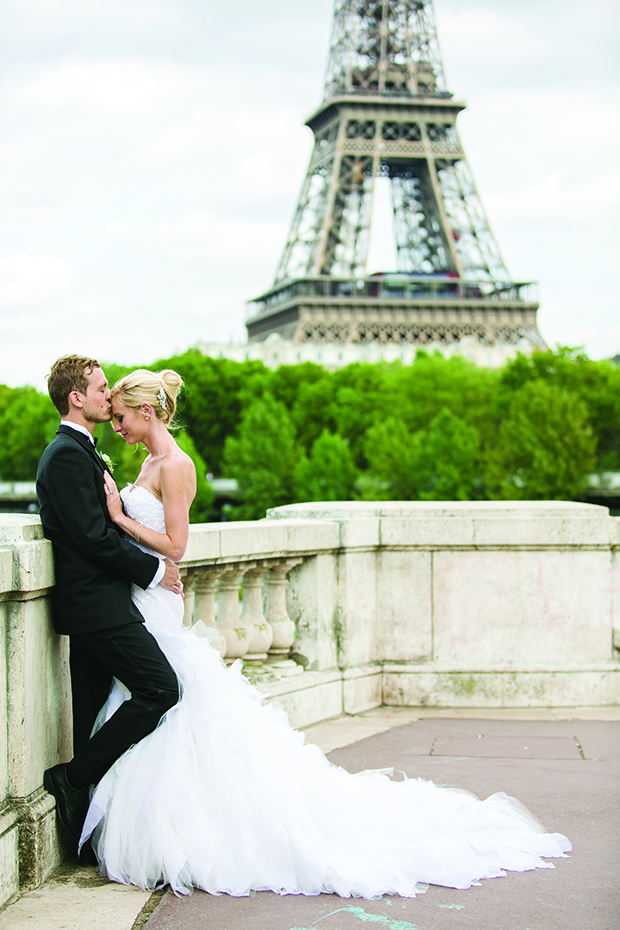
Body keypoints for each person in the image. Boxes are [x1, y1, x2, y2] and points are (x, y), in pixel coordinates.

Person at [81, 367, 571, 898]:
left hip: (156, 601)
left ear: (147, 412)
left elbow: (176, 546)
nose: (117, 427)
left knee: (173, 707)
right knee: (162, 705)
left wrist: (118, 515)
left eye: (123, 418)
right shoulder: (150, 462)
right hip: (145, 600)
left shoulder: (176, 466)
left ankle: (179, 831)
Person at [36, 356, 182, 845]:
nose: (107, 398)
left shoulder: (81, 451)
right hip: (96, 605)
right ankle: (73, 780)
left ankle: (87, 830)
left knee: (93, 715)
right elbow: (93, 537)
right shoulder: (66, 455)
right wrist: (155, 570)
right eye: (100, 390)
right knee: (161, 689)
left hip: (103, 602)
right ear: (77, 398)